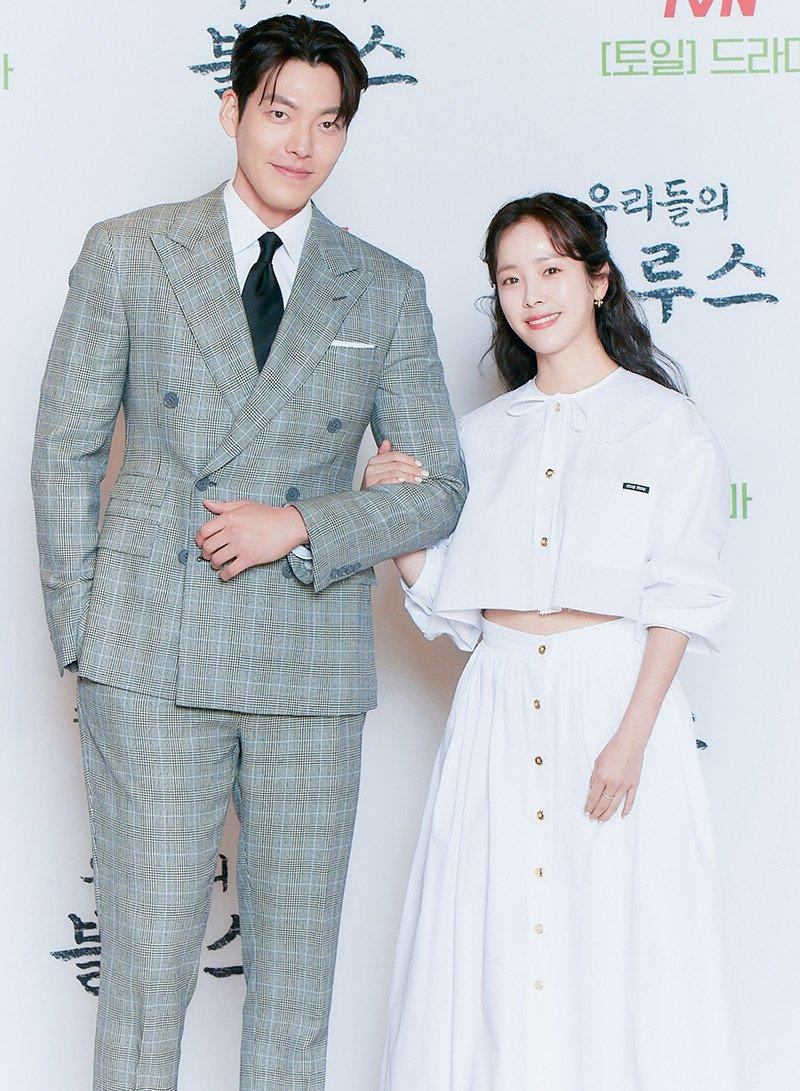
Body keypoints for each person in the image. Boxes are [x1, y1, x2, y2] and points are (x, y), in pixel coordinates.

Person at [29, 14, 465, 1091]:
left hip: (307, 665)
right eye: (280, 112)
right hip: (151, 659)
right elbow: (64, 451)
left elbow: (441, 489)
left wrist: (303, 523)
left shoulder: (382, 286)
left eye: (329, 122)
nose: (301, 143)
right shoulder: (131, 251)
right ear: (231, 112)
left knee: (295, 987)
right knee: (144, 976)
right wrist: (86, 635)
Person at [374, 194, 742, 1090]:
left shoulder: (665, 424)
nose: (531, 295)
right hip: (498, 703)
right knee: (496, 928)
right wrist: (392, 516)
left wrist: (631, 735)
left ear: (597, 279)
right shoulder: (479, 437)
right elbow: (453, 601)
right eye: (510, 279)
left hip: (612, 693)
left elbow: (680, 595)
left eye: (550, 270)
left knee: (617, 925)